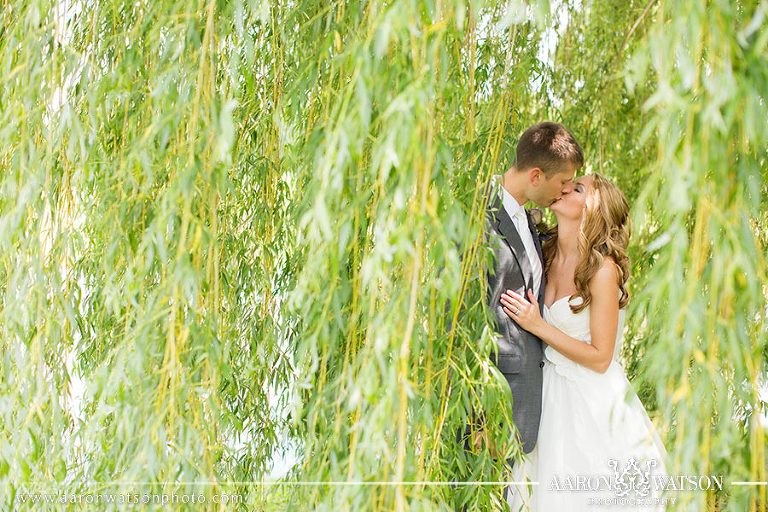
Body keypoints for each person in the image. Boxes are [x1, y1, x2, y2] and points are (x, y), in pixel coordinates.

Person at [501, 173, 669, 511]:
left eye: (577, 188)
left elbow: (600, 357)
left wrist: (538, 325)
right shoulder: (542, 254)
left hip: (588, 400)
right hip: (544, 393)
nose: (564, 187)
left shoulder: (603, 270)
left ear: (594, 210)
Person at [458, 122, 583, 505]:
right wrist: (475, 412)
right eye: (563, 182)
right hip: (489, 410)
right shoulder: (478, 217)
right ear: (535, 175)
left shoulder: (527, 219)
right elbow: (463, 318)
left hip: (524, 406)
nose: (564, 190)